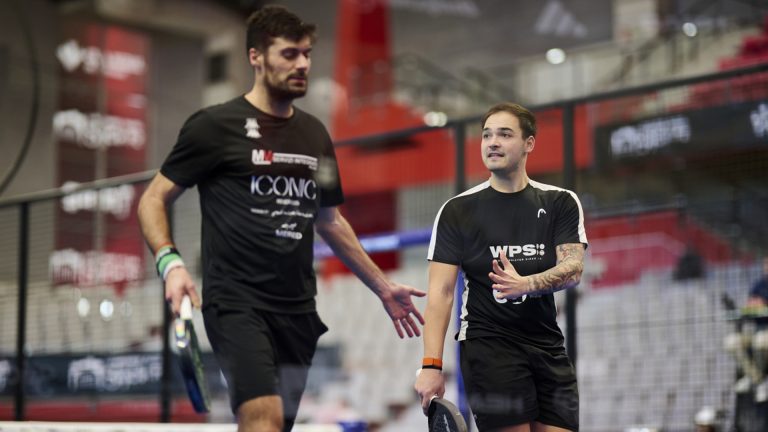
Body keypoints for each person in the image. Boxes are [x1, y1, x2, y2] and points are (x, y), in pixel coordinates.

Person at [137, 6, 425, 432]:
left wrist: (382, 287)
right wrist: (170, 263)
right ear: (256, 57)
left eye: (306, 54)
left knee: (276, 425)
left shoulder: (315, 135)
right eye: (290, 54)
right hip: (236, 303)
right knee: (263, 416)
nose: (303, 64)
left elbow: (330, 221)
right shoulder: (214, 127)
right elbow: (152, 199)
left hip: (297, 311)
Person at [414, 102, 587, 432]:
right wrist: (431, 365)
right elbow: (441, 293)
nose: (492, 142)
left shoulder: (560, 201)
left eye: (505, 135)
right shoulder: (456, 211)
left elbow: (573, 267)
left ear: (529, 143)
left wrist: (525, 285)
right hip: (489, 346)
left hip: (548, 348)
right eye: (486, 135)